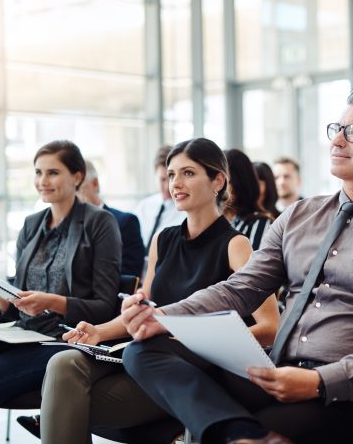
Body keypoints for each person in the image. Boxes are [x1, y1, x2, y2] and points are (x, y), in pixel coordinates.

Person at [118, 86, 353, 444]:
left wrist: (321, 382)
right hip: (276, 369)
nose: (338, 140)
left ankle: (236, 430)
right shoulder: (299, 216)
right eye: (336, 129)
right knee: (143, 350)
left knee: (220, 424)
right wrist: (165, 316)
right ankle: (242, 434)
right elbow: (240, 288)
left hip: (346, 390)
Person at [35, 138, 279, 444]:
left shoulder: (236, 245)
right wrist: (98, 332)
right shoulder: (163, 240)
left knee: (67, 401)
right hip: (146, 353)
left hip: (191, 369)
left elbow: (270, 327)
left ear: (218, 180)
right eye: (172, 174)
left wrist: (195, 340)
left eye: (188, 173)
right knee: (62, 362)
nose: (176, 183)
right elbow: (144, 312)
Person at [0, 140, 122, 444]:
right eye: (38, 172)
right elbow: (19, 301)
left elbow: (105, 306)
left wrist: (53, 302)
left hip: (63, 339)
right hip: (21, 333)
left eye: (53, 173)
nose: (42, 181)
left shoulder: (100, 223)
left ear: (77, 176)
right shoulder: (31, 225)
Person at [78, 159, 145, 277]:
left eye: (78, 189)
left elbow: (130, 274)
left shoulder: (125, 222)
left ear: (95, 184)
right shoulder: (63, 226)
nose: (74, 197)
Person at [133, 145, 186, 263]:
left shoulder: (185, 211)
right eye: (162, 179)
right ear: (155, 175)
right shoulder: (144, 206)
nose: (168, 186)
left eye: (171, 178)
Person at [225, 149, 273, 251]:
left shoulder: (259, 223)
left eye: (228, 181)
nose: (219, 187)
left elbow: (253, 265)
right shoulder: (212, 222)